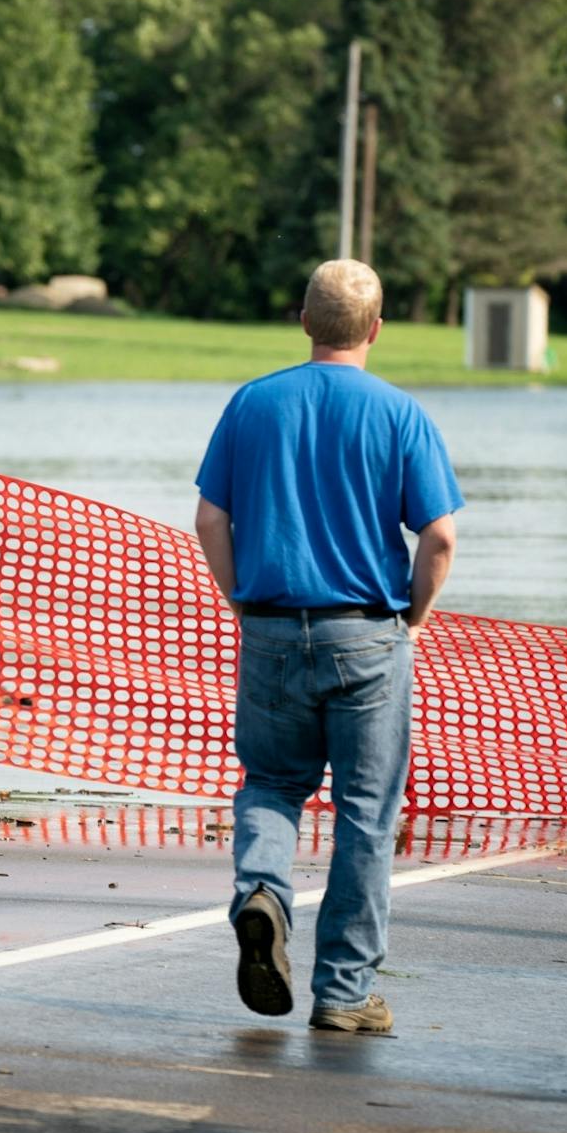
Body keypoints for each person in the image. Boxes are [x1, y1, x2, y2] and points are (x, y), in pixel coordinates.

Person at [194, 259, 461, 1033]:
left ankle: (262, 894)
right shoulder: (400, 413)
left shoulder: (253, 403)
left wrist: (243, 599)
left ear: (304, 321)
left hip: (273, 626)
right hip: (367, 635)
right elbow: (438, 536)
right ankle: (343, 995)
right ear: (376, 329)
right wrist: (412, 617)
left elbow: (211, 520)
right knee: (366, 815)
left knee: (273, 785)